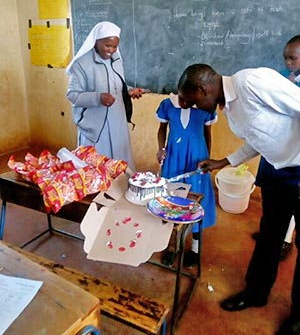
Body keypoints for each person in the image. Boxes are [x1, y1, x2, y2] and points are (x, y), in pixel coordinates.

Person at [177, 63, 300, 335]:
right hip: (277, 171)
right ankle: (256, 293)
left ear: (203, 88)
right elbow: (260, 137)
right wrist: (224, 161)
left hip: (299, 168)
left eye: (195, 102)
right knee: (270, 234)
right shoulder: (230, 108)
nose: (195, 108)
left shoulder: (252, 82)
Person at [67, 21, 147, 170]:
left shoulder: (115, 59)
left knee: (120, 164)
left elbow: (115, 83)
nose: (111, 50)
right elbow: (72, 95)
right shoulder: (81, 64)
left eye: (115, 46)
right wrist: (98, 98)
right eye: (107, 45)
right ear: (96, 41)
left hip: (118, 121)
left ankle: (119, 190)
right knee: (98, 167)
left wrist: (128, 91)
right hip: (97, 127)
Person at [156, 93, 217, 267]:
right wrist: (161, 149)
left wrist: (208, 158)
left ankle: (196, 248)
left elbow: (207, 134)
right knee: (171, 200)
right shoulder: (167, 104)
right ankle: (171, 246)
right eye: (180, 97)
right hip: (173, 156)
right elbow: (162, 129)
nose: (182, 102)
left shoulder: (206, 107)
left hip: (196, 158)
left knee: (195, 201)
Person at [253, 35, 300, 261]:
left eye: (293, 59)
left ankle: (285, 240)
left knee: (289, 204)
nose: (288, 63)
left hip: (293, 160)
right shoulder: (280, 77)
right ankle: (270, 234)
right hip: (272, 152)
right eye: (286, 59)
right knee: (271, 204)